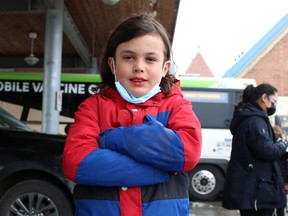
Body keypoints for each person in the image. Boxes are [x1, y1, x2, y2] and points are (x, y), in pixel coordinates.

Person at [62, 13, 202, 216]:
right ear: (112, 65)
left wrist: (111, 139)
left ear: (165, 68)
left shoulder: (176, 106)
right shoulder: (92, 107)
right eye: (128, 57)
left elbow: (187, 153)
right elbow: (77, 163)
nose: (139, 67)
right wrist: (159, 168)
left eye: (150, 59)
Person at [222, 83, 288, 216]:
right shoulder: (254, 120)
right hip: (258, 191)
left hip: (253, 189)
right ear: (264, 98)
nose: (274, 105)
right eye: (273, 101)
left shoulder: (249, 118)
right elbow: (266, 150)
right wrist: (282, 145)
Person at [273, 125, 288, 216]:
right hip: (281, 175)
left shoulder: (271, 144)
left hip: (276, 175)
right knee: (281, 200)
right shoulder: (283, 144)